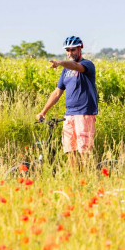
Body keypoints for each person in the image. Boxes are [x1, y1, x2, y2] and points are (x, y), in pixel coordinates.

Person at [36, 36, 98, 165]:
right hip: (69, 115)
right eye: (68, 50)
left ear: (80, 49)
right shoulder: (66, 71)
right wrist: (43, 112)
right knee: (70, 150)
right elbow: (57, 92)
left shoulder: (87, 65)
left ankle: (87, 178)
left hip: (84, 113)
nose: (70, 53)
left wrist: (59, 62)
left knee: (84, 150)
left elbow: (76, 66)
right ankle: (76, 181)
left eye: (73, 50)